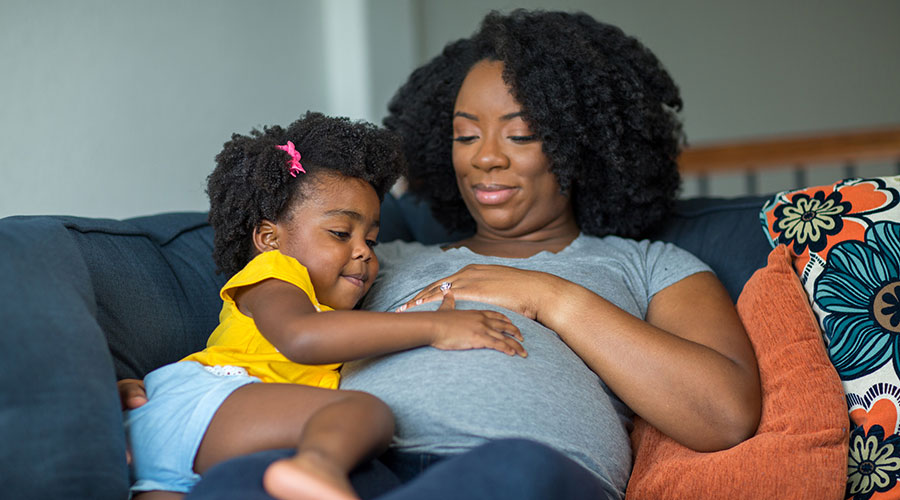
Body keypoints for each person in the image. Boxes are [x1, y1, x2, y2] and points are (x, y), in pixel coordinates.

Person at [121, 10, 762, 500]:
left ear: (583, 143)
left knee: (518, 468)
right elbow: (269, 338)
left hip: (521, 470)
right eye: (464, 134)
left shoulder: (649, 266)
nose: (485, 156)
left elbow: (723, 416)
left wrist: (548, 296)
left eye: (521, 134)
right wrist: (163, 393)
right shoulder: (367, 256)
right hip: (350, 465)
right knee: (246, 481)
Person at [123, 111, 527, 500]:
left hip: (181, 455)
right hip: (206, 402)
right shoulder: (274, 275)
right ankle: (318, 465)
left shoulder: (332, 306)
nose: (364, 253)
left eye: (370, 240)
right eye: (339, 232)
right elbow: (302, 338)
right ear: (269, 237)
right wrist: (435, 328)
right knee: (363, 411)